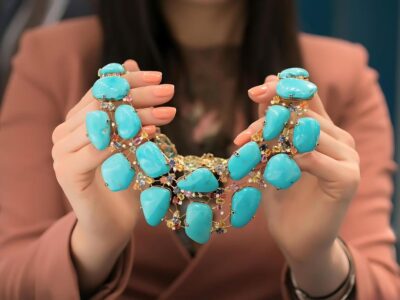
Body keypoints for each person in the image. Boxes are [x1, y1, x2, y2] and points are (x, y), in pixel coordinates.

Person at [0, 0, 398, 299]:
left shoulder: (341, 78)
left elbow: (382, 285)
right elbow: (11, 279)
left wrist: (316, 258)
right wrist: (93, 241)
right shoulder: (51, 60)